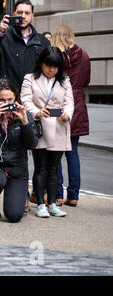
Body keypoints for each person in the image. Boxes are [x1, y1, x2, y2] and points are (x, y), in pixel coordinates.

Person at [20, 46, 74, 218]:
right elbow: (25, 99)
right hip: (40, 127)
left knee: (54, 168)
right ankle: (41, 204)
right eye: (48, 65)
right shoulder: (30, 78)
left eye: (55, 66)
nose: (51, 70)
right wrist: (36, 111)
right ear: (41, 63)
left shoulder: (64, 81)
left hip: (59, 126)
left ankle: (52, 203)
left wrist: (67, 113)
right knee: (41, 167)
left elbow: (69, 101)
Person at [0, 79, 38, 223]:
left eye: (10, 99)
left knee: (14, 216)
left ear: (16, 98)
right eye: (2, 100)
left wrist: (25, 123)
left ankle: (19, 198)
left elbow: (31, 144)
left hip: (17, 170)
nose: (6, 103)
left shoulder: (25, 115)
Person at [52, 24, 91, 207]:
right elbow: (86, 80)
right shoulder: (83, 55)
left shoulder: (53, 56)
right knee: (72, 153)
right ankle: (73, 195)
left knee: (56, 153)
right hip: (77, 103)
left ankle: (58, 195)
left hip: (59, 103)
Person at [0, 0, 50, 92]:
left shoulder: (43, 41)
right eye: (20, 12)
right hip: (10, 96)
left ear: (32, 16)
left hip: (35, 96)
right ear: (14, 15)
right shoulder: (3, 38)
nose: (23, 16)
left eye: (27, 13)